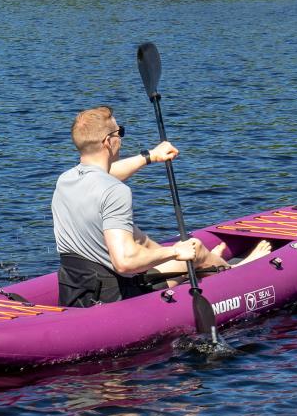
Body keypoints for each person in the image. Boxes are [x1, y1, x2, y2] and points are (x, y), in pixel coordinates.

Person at [52, 105, 271, 307]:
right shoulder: (115, 191)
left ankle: (207, 267)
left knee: (144, 241)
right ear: (109, 142)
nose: (121, 139)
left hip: (77, 291)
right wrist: (176, 251)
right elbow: (125, 262)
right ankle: (233, 271)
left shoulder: (65, 180)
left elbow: (105, 175)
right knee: (194, 250)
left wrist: (150, 156)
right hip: (116, 297)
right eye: (120, 133)